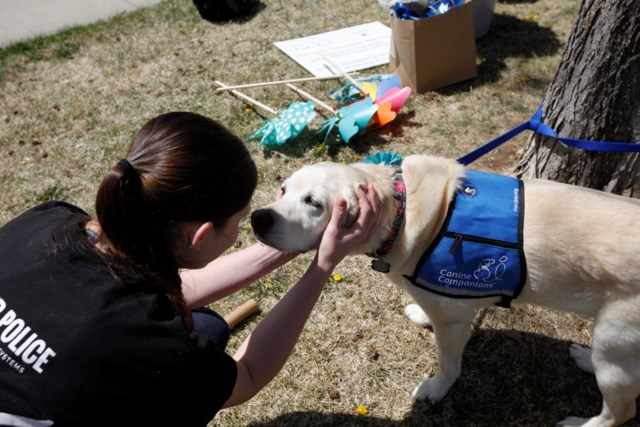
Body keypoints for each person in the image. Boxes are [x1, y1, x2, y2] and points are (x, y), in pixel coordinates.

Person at [0, 112, 380, 426]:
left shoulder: (49, 221)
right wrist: (322, 268)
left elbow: (165, 293)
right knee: (200, 343)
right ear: (197, 236)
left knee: (208, 327)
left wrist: (297, 242)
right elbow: (245, 376)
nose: (243, 228)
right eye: (240, 221)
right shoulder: (158, 347)